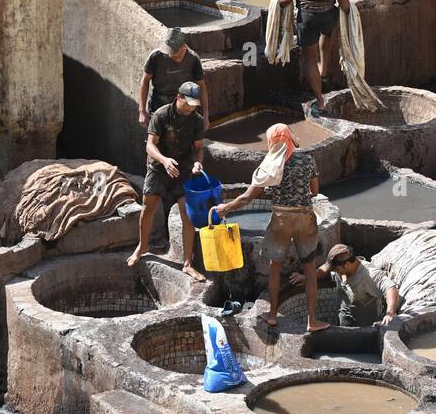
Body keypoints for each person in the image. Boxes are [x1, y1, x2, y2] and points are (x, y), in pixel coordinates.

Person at [219, 124, 328, 332]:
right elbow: (314, 191)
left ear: (270, 142)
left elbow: (247, 197)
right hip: (304, 218)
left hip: (280, 220)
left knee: (275, 268)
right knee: (310, 270)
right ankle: (312, 321)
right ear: (289, 139)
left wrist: (226, 208)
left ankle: (271, 315)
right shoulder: (307, 160)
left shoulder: (269, 166)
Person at [127, 81, 207, 282]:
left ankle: (188, 263)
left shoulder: (196, 121)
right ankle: (142, 246)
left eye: (194, 105)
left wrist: (198, 163)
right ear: (178, 98)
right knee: (148, 208)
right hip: (158, 168)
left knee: (187, 215)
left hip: (183, 170)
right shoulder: (161, 115)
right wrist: (164, 160)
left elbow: (198, 148)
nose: (190, 108)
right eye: (187, 103)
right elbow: (150, 146)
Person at [279, 0, 350, 112]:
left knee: (310, 57)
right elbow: (343, 0)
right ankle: (323, 73)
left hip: (307, 17)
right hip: (328, 15)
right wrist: (349, 15)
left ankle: (319, 101)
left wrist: (277, 3)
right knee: (326, 33)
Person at [294, 243, 400, 327]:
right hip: (345, 317)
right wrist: (306, 278)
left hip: (365, 325)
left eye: (336, 269)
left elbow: (391, 288)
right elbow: (323, 271)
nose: (334, 271)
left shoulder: (368, 275)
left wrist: (390, 312)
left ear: (347, 264)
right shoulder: (340, 269)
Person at [139, 27, 209, 131]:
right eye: (168, 51)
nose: (170, 54)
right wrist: (142, 112)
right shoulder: (156, 56)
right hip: (159, 103)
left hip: (183, 105)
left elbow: (202, 87)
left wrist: (206, 116)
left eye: (174, 51)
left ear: (183, 47)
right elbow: (145, 82)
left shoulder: (193, 59)